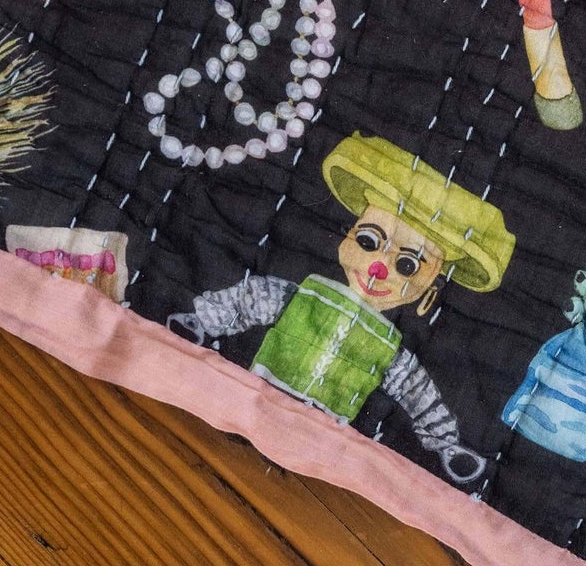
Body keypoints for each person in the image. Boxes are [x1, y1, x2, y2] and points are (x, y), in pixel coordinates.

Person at [171, 133, 514, 484]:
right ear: (348, 236)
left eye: (407, 265)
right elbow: (254, 299)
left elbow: (416, 392)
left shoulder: (388, 345)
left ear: (431, 289)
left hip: (321, 430)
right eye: (368, 241)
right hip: (259, 390)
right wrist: (202, 320)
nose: (378, 268)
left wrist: (446, 443)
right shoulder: (310, 293)